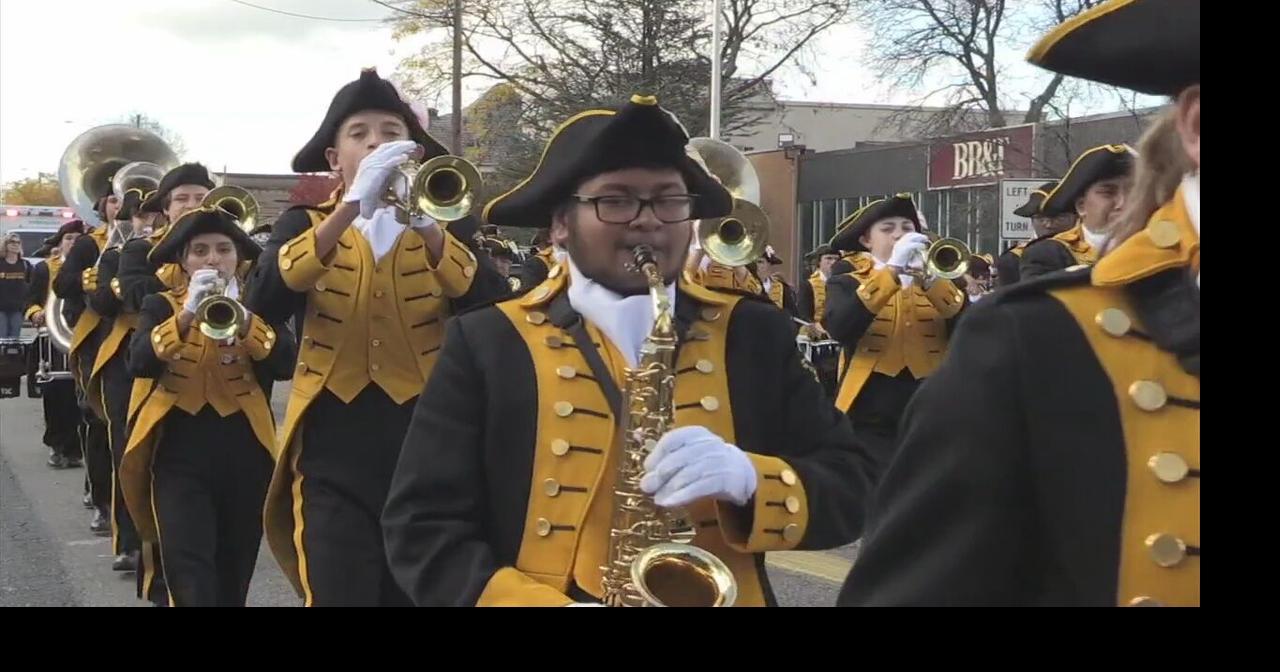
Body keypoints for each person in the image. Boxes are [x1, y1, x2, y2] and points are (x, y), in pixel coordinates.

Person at [382, 95, 881, 606]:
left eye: (669, 200)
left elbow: (852, 486)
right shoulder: (488, 341)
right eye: (615, 200)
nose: (647, 221)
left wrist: (751, 478)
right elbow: (421, 527)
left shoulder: (752, 332)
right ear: (560, 224)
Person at [838, 0, 1199, 607]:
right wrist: (889, 278)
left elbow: (949, 312)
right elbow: (845, 324)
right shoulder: (1030, 338)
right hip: (875, 400)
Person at [248, 68, 505, 606]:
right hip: (331, 434)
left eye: (390, 132)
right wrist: (348, 210)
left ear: (411, 151)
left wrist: (427, 225)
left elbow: (490, 305)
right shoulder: (302, 223)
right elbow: (264, 301)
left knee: (419, 588)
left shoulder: (449, 222)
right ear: (333, 158)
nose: (376, 144)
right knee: (340, 587)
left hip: (426, 430)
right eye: (359, 134)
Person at [121, 206, 295, 607]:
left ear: (239, 258)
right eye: (200, 251)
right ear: (183, 260)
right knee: (188, 565)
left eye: (223, 249)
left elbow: (284, 363)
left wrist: (246, 317)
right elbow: (140, 362)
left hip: (246, 449)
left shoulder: (259, 305)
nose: (213, 259)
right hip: (180, 449)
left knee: (234, 569)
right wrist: (184, 315)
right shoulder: (159, 305)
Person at [823, 194, 967, 453]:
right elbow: (841, 327)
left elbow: (967, 329)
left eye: (907, 228)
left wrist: (932, 282)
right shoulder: (847, 281)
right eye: (887, 229)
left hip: (932, 400)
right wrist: (891, 272)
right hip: (870, 406)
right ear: (867, 241)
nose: (898, 235)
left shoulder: (944, 281)